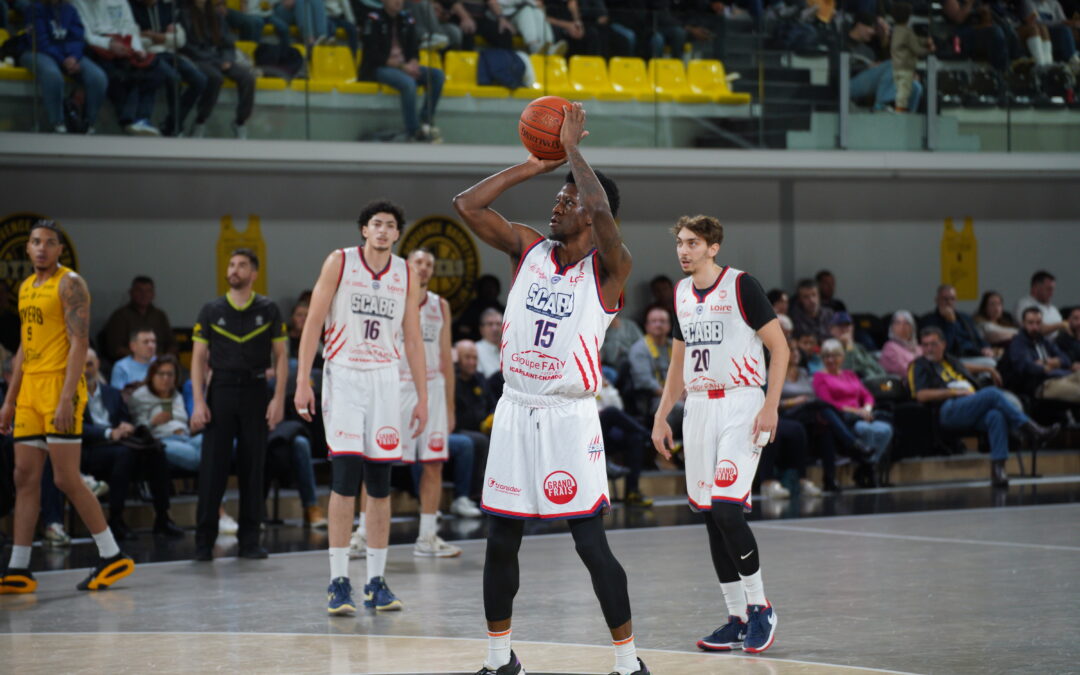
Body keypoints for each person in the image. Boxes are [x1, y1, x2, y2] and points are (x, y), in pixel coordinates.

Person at [453, 103, 648, 675]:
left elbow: (602, 210)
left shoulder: (611, 267)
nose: (556, 205)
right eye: (556, 198)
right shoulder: (527, 250)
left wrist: (574, 154)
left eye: (568, 200)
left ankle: (628, 662)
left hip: (569, 417)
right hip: (516, 409)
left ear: (589, 214)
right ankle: (498, 658)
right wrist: (537, 164)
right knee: (500, 540)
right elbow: (466, 205)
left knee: (590, 545)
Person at [650, 213, 786, 654]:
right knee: (711, 516)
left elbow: (780, 349)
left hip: (742, 404)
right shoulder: (680, 294)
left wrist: (771, 405)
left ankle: (760, 606)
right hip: (698, 409)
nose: (684, 251)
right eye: (680, 243)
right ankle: (736, 617)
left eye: (693, 243)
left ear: (713, 247)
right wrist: (661, 414)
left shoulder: (742, 286)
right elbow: (677, 364)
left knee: (728, 509)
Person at [294, 200, 429, 616]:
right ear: (364, 230)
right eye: (377, 224)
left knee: (381, 482)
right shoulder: (340, 262)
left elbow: (411, 337)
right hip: (345, 375)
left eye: (391, 225)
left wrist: (422, 396)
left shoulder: (405, 271)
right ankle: (338, 580)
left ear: (397, 234)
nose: (384, 231)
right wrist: (303, 380)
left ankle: (376, 581)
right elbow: (313, 322)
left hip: (386, 379)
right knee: (345, 477)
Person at [0, 220, 135, 595]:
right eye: (35, 242)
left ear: (60, 249)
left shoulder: (70, 283)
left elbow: (79, 343)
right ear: (27, 249)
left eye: (49, 243)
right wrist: (9, 399)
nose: (41, 248)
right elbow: (25, 347)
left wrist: (64, 398)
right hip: (29, 390)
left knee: (64, 478)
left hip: (61, 387)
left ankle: (111, 554)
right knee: (24, 478)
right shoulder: (26, 287)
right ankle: (19, 567)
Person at [190, 249, 288, 561]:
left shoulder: (269, 308)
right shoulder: (211, 309)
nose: (235, 269)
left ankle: (249, 540)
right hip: (220, 389)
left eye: (242, 265)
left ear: (254, 273)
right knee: (212, 469)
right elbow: (197, 359)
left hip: (256, 389)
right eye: (232, 264)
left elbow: (282, 357)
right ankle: (204, 542)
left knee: (253, 467)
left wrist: (278, 398)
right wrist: (198, 401)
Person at [909, 326, 1057, 487]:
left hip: (969, 406)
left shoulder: (949, 360)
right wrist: (952, 393)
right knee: (992, 393)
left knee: (995, 416)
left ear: (943, 344)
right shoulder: (918, 365)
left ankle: (998, 470)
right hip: (947, 409)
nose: (929, 349)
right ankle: (1031, 429)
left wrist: (988, 369)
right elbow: (921, 395)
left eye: (933, 344)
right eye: (925, 345)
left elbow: (965, 367)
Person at [398, 248, 463, 557]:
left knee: (434, 465)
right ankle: (363, 532)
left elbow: (448, 361)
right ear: (406, 265)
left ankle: (427, 537)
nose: (423, 267)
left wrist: (450, 406)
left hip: (434, 389)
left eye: (429, 264)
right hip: (398, 387)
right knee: (377, 464)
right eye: (418, 262)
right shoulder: (392, 299)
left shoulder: (441, 306)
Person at [82, 348, 182, 540]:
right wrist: (109, 432)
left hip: (121, 444)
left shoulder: (111, 393)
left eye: (90, 364)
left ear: (98, 366)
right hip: (92, 449)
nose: (86, 369)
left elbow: (124, 418)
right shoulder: (69, 395)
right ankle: (116, 519)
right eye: (81, 365)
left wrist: (126, 427)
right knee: (125, 454)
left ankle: (163, 517)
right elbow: (77, 428)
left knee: (156, 450)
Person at [73, 0, 167, 135]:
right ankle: (129, 121)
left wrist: (137, 49)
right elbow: (86, 35)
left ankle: (141, 119)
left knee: (156, 71)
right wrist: (109, 44)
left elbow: (130, 28)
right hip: (96, 50)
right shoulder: (77, 3)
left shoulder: (120, 1)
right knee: (119, 76)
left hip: (124, 47)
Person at [360, 0, 446, 143]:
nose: (398, 2)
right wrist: (401, 67)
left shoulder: (407, 19)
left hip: (404, 66)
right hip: (379, 67)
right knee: (408, 83)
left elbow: (414, 48)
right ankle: (414, 130)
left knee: (437, 76)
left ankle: (425, 119)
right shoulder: (373, 19)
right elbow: (372, 55)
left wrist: (413, 62)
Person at [23, 0, 108, 134]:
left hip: (68, 54)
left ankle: (88, 123)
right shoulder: (34, 9)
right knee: (52, 75)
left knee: (98, 77)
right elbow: (40, 41)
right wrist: (63, 59)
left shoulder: (71, 10)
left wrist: (73, 57)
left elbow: (77, 38)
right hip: (38, 52)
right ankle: (57, 122)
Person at [179, 0, 256, 139]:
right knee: (215, 78)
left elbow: (227, 43)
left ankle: (240, 122)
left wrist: (226, 59)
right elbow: (186, 46)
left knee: (247, 77)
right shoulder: (183, 15)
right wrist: (215, 60)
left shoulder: (216, 15)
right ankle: (200, 121)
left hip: (219, 58)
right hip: (199, 59)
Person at [813, 339, 893, 470]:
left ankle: (868, 466)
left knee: (885, 430)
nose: (831, 360)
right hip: (843, 418)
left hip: (862, 415)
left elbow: (867, 395)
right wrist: (857, 412)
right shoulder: (820, 377)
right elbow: (828, 404)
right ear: (822, 359)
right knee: (866, 430)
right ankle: (868, 469)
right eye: (827, 356)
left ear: (843, 357)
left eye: (835, 355)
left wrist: (867, 409)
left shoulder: (849, 374)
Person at [130, 354, 204, 471]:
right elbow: (137, 428)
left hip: (186, 437)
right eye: (161, 374)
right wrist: (153, 421)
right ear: (152, 375)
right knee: (200, 458)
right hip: (162, 440)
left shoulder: (176, 395)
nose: (166, 378)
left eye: (170, 374)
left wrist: (193, 426)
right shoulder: (140, 396)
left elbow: (183, 421)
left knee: (218, 445)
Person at [1004, 307, 1080, 403]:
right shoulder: (1018, 343)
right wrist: (1048, 365)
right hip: (1042, 385)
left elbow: (1066, 359)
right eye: (1031, 323)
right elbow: (1026, 366)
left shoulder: (1043, 340)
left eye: (1038, 323)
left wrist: (1048, 362)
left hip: (1060, 375)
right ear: (1023, 324)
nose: (1035, 327)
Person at [100, 276, 175, 360]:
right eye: (139, 291)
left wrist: (166, 358)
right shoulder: (120, 316)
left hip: (159, 363)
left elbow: (172, 344)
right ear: (131, 293)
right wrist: (143, 357)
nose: (144, 295)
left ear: (153, 294)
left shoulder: (160, 315)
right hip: (131, 363)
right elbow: (116, 349)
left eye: (148, 291)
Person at [921, 284, 996, 368]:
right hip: (952, 359)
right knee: (990, 364)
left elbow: (977, 338)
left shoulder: (965, 317)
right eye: (945, 299)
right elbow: (944, 347)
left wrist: (986, 347)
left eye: (952, 299)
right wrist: (950, 323)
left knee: (995, 361)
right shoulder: (929, 320)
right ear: (937, 300)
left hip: (973, 354)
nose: (949, 302)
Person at [627, 305, 675, 419]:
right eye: (654, 321)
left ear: (669, 326)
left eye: (662, 321)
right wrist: (673, 396)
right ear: (647, 326)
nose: (658, 325)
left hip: (675, 394)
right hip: (653, 400)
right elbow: (646, 382)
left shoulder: (674, 346)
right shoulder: (639, 349)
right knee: (680, 408)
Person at [889, 2, 933, 112]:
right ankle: (901, 116)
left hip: (896, 65)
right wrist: (929, 50)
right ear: (909, 16)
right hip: (905, 66)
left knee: (901, 92)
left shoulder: (895, 30)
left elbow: (915, 41)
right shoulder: (907, 32)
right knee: (904, 93)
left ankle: (900, 113)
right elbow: (917, 49)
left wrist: (924, 41)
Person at [829, 311, 886, 381]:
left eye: (847, 325)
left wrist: (884, 380)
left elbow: (876, 368)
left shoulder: (859, 347)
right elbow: (846, 373)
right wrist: (849, 346)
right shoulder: (829, 350)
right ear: (831, 330)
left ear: (852, 328)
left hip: (873, 384)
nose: (844, 329)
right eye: (840, 326)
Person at [1015, 270, 1066, 340]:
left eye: (1053, 289)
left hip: (1056, 345)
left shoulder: (1053, 309)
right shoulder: (1024, 305)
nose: (1052, 293)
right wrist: (1062, 325)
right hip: (1035, 345)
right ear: (1035, 287)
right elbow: (1037, 329)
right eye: (1048, 289)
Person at [878, 310, 922, 378]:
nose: (902, 326)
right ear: (892, 327)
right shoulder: (889, 347)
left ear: (913, 327)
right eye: (898, 323)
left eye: (907, 323)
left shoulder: (920, 348)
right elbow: (904, 370)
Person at [789, 278, 833, 342]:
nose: (811, 300)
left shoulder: (829, 314)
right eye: (806, 297)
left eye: (814, 295)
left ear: (819, 296)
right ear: (799, 300)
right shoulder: (794, 318)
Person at [476, 307, 503, 378]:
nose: (495, 328)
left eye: (498, 324)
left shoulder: (510, 350)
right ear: (481, 329)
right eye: (490, 324)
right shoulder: (475, 350)